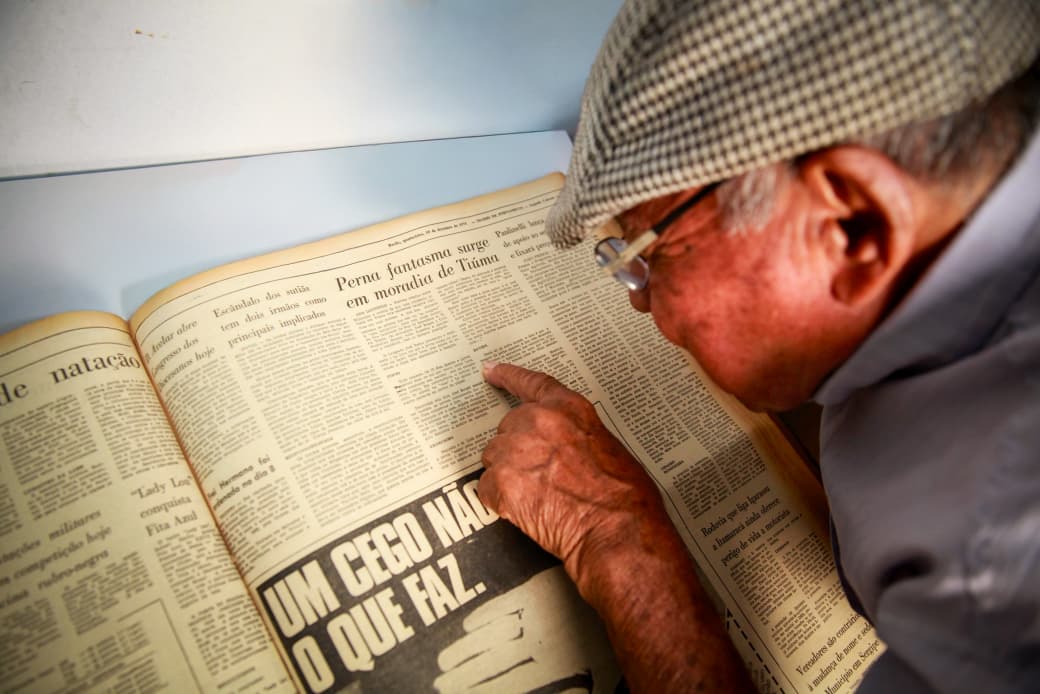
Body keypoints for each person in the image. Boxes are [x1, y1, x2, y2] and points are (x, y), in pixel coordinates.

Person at [476, 1, 1040, 691]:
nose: (637, 296)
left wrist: (615, 537)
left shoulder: (1001, 570)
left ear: (853, 226)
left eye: (655, 251)